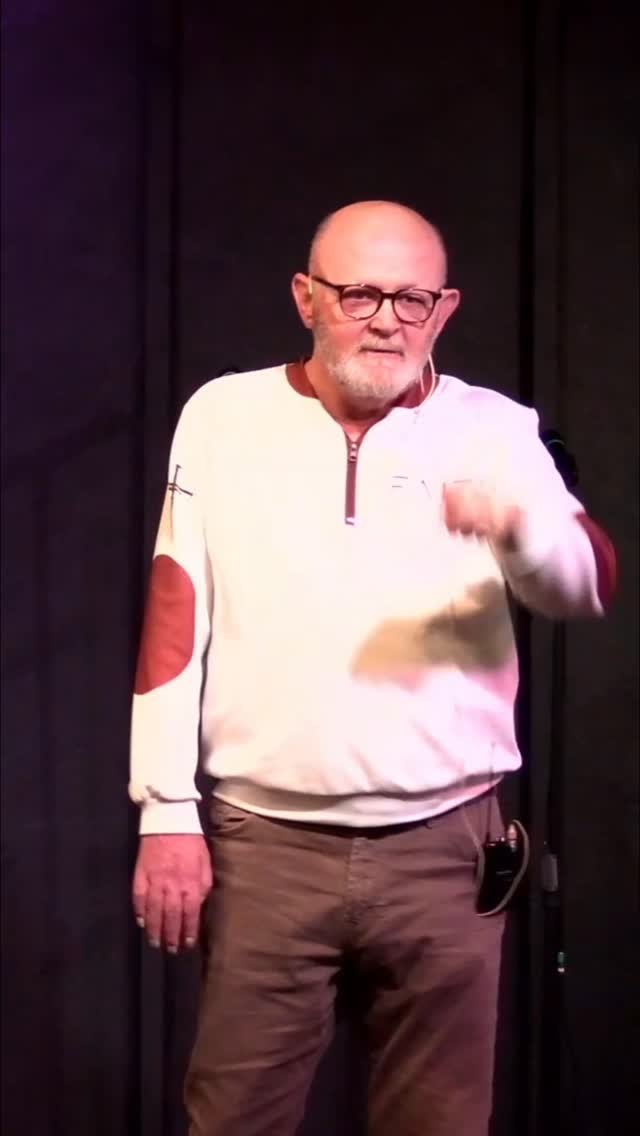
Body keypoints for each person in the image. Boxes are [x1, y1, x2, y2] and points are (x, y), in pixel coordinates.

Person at [129, 200, 616, 1136]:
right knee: (234, 1120)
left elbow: (586, 587)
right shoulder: (224, 417)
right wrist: (165, 809)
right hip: (267, 852)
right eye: (360, 295)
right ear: (306, 298)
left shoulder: (494, 429)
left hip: (446, 854)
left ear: (444, 309)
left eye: (411, 299)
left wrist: (521, 524)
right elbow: (177, 609)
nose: (387, 320)